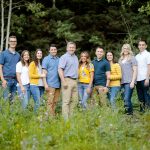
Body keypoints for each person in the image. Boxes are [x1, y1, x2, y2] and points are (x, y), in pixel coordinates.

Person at [58, 42, 78, 119]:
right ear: (67, 48)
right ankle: (65, 120)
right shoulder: (64, 57)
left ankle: (71, 118)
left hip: (75, 81)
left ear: (75, 48)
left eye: (73, 47)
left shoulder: (75, 57)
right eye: (70, 47)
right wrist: (63, 81)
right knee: (66, 101)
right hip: (67, 80)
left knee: (75, 101)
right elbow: (60, 69)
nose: (71, 49)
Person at [0, 36, 20, 103]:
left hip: (15, 81)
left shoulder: (18, 55)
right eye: (11, 41)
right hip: (6, 80)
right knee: (5, 101)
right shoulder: (3, 53)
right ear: (8, 42)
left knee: (13, 102)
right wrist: (3, 80)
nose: (13, 43)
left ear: (16, 43)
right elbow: (0, 67)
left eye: (14, 41)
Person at [119, 44, 137, 115]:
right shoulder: (120, 59)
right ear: (122, 49)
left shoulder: (132, 58)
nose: (125, 50)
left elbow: (135, 70)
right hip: (122, 82)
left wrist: (133, 81)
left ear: (129, 50)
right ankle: (127, 113)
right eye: (124, 48)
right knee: (124, 99)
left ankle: (129, 114)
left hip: (129, 81)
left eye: (127, 48)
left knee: (127, 98)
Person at [42, 44, 61, 116]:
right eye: (52, 50)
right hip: (50, 84)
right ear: (49, 51)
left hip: (58, 85)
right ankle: (50, 118)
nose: (53, 51)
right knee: (50, 102)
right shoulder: (46, 59)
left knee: (55, 101)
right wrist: (45, 84)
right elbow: (44, 72)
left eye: (55, 49)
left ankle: (52, 115)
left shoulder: (59, 59)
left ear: (56, 50)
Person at [136, 39, 150, 112]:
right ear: (138, 46)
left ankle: (147, 112)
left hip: (145, 78)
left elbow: (149, 66)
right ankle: (142, 111)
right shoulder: (137, 56)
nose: (141, 46)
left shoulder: (148, 54)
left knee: (146, 95)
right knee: (140, 96)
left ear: (146, 46)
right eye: (140, 45)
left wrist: (147, 79)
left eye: (143, 45)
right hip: (138, 79)